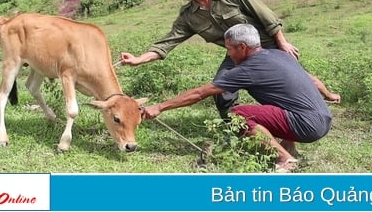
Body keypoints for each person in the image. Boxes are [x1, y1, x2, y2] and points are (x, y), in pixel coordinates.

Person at [120, 0, 340, 119]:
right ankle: (233, 126)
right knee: (222, 92)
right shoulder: (188, 16)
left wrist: (282, 44)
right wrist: (139, 59)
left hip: (268, 48)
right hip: (236, 56)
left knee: (297, 80)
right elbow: (167, 43)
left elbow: (267, 17)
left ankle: (327, 96)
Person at [141, 24, 334, 173]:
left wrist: (160, 107)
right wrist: (330, 95)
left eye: (230, 49)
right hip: (324, 119)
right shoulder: (278, 55)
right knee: (277, 98)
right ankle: (289, 144)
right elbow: (312, 80)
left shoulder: (247, 70)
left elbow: (200, 93)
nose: (228, 54)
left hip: (307, 126)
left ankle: (283, 158)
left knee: (238, 114)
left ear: (243, 47)